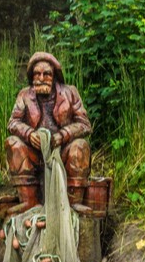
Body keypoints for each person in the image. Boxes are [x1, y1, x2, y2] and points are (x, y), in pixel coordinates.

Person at [5, 52, 91, 215]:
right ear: (31, 76)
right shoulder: (24, 95)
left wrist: (63, 135)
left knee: (80, 146)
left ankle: (73, 202)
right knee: (12, 143)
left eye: (47, 74)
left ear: (55, 76)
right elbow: (13, 122)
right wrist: (29, 134)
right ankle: (28, 202)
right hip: (34, 154)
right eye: (37, 73)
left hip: (62, 152)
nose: (42, 78)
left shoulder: (70, 93)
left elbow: (84, 124)